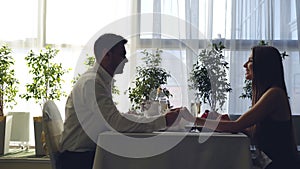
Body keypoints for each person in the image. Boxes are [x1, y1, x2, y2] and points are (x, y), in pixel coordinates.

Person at [58, 33, 181, 169]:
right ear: (107, 55)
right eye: (122, 54)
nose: (126, 60)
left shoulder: (97, 80)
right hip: (78, 160)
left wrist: (157, 119)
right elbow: (116, 122)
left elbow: (114, 118)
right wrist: (163, 121)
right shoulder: (92, 83)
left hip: (84, 156)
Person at [182, 45, 299, 169]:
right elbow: (253, 132)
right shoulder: (271, 93)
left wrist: (192, 119)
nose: (245, 65)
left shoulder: (274, 94)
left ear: (264, 66)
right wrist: (229, 123)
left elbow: (237, 125)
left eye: (251, 61)